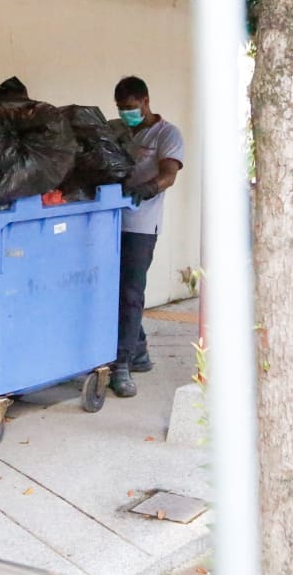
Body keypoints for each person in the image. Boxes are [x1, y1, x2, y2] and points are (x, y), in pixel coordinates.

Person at [110, 76, 184, 397]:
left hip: (141, 225)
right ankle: (138, 348)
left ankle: (122, 364)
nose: (126, 113)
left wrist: (148, 188)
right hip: (110, 222)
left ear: (145, 101)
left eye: (130, 108)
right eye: (121, 108)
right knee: (114, 290)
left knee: (131, 292)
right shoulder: (117, 131)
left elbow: (169, 175)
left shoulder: (167, 134)